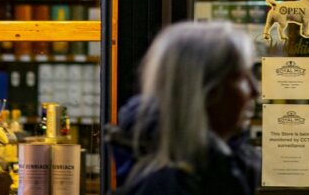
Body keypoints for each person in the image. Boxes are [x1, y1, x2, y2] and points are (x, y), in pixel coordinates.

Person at [111, 21, 261, 195]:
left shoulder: (220, 167)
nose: (254, 91)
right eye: (241, 77)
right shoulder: (169, 187)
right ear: (204, 90)